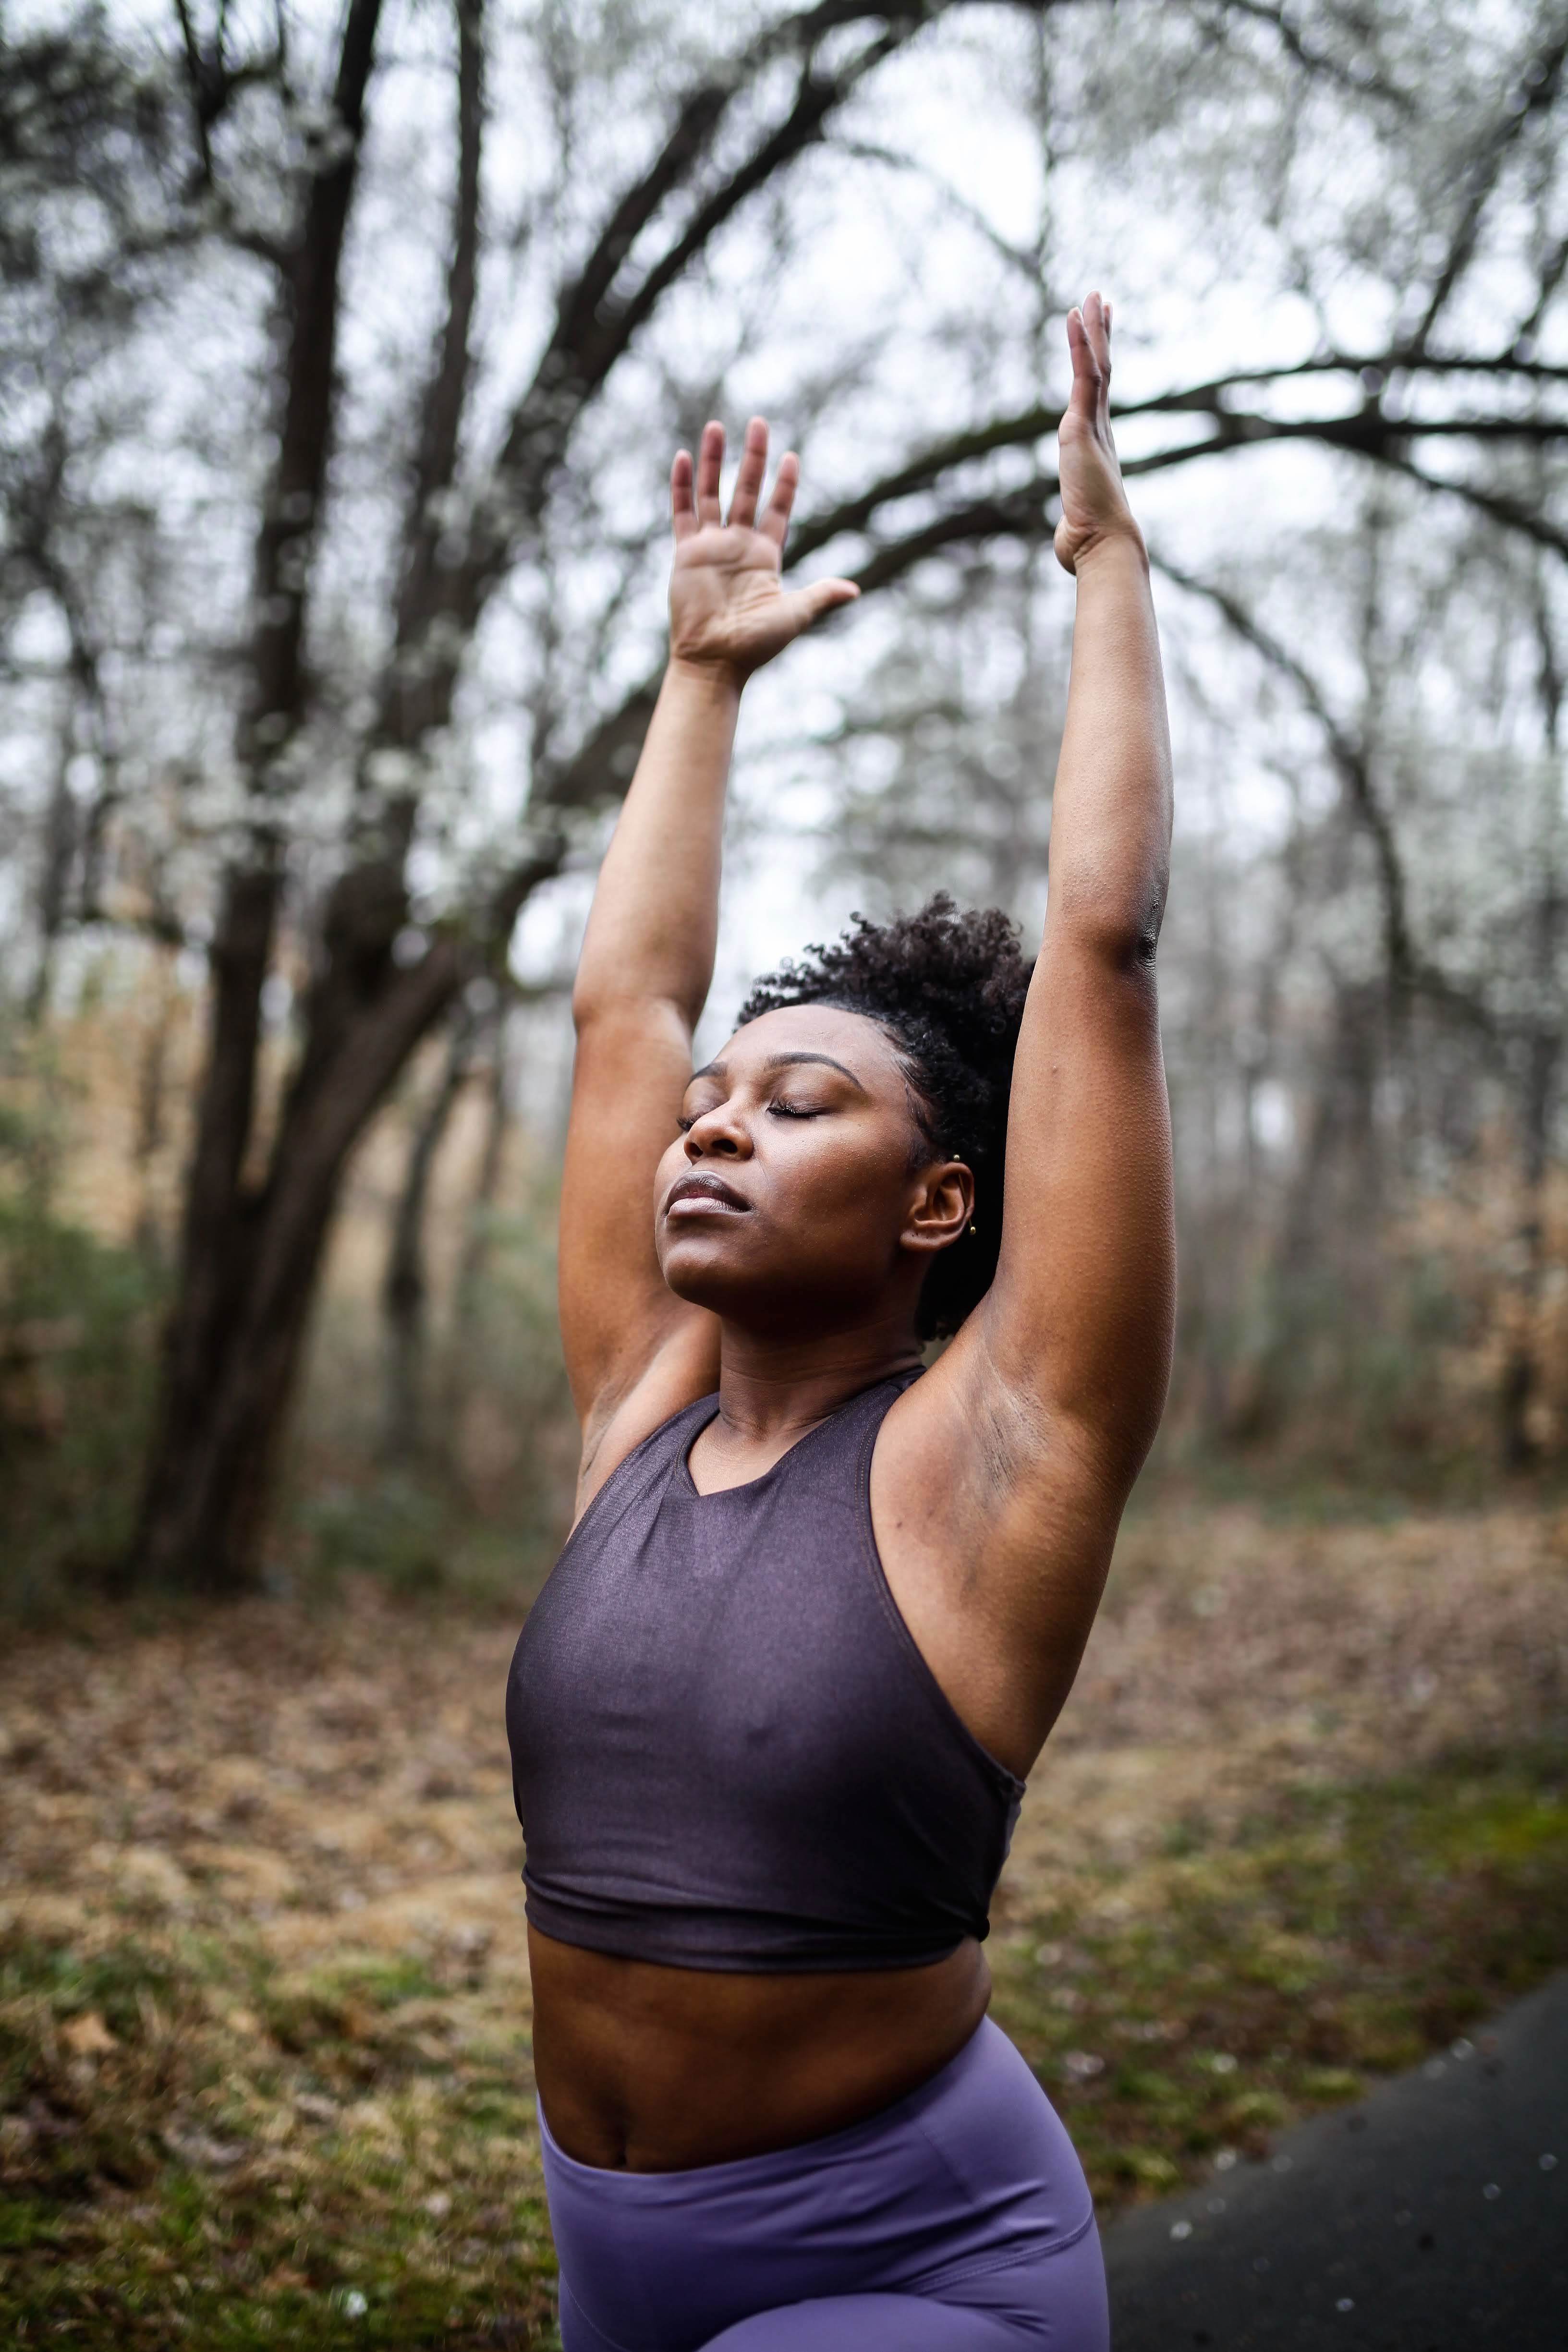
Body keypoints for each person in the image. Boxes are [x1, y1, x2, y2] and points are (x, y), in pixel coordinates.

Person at [506, 291, 1175, 2351]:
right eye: (714, 1108)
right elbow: (627, 1007)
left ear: (939, 1199)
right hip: (605, 2253)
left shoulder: (998, 1457)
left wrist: (1106, 563)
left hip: (911, 2263)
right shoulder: (639, 1399)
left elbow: (1099, 944)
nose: (708, 1130)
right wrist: (697, 678)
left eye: (798, 1107)